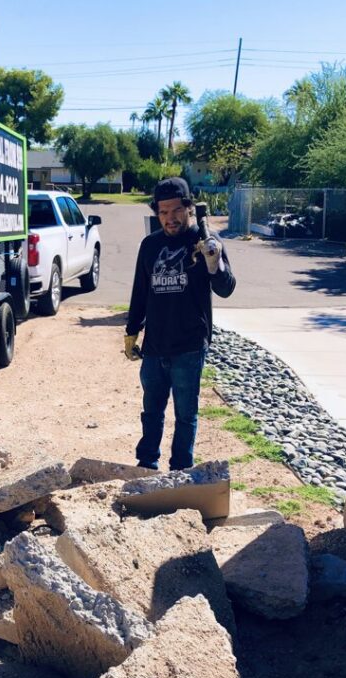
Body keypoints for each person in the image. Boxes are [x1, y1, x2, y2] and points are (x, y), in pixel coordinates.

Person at [124, 177, 236, 471]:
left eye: (175, 210)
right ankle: (146, 463)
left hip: (189, 346)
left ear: (189, 208)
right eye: (162, 212)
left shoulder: (206, 242)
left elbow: (226, 288)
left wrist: (215, 264)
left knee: (186, 414)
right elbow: (140, 291)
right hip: (155, 346)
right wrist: (131, 331)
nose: (169, 218)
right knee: (152, 411)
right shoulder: (150, 245)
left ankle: (181, 469)